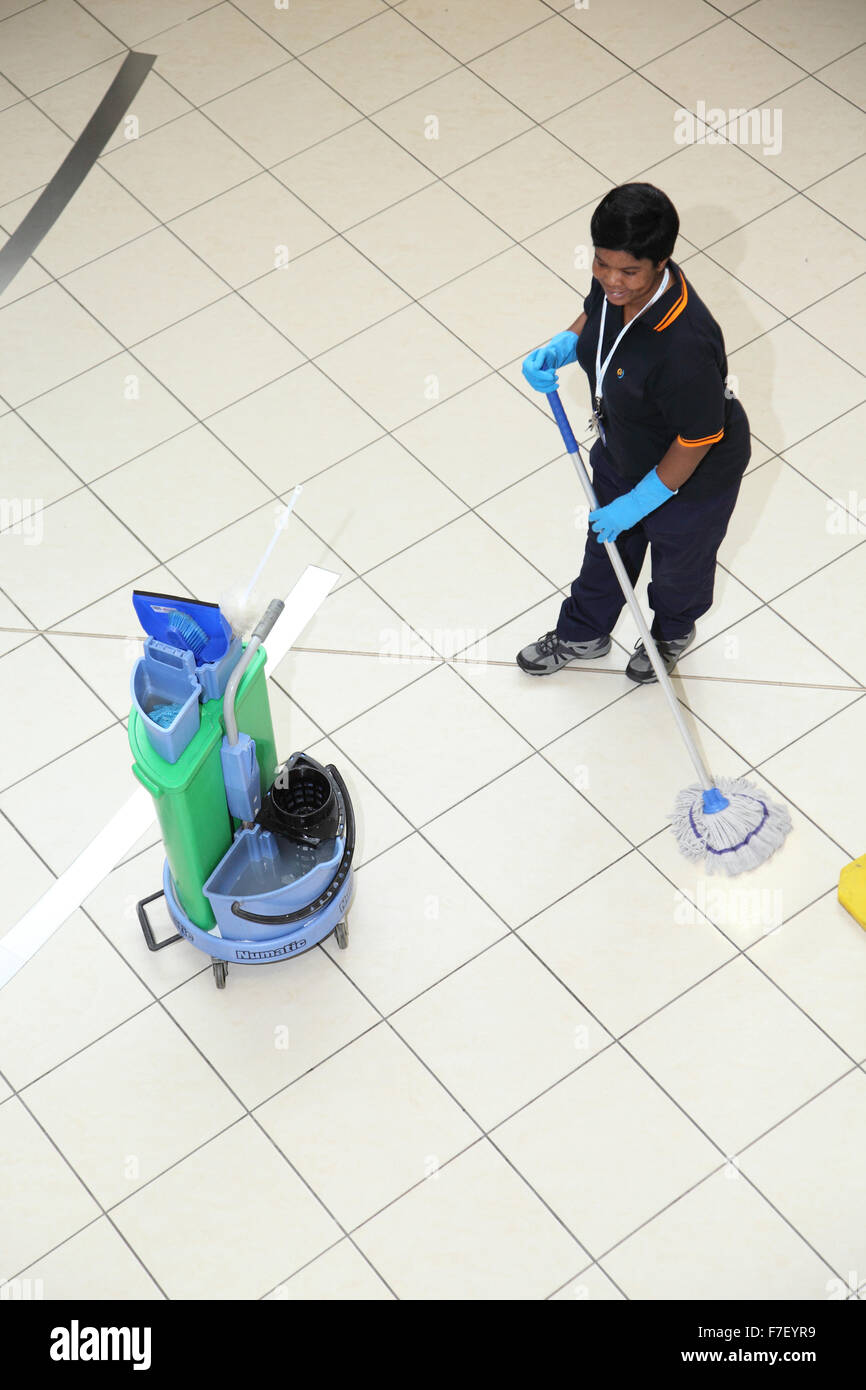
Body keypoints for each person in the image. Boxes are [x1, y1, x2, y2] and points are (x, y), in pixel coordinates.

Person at [517, 182, 750, 684]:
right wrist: (564, 344)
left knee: (677, 569)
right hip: (626, 445)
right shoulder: (614, 287)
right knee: (605, 549)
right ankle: (584, 631)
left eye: (628, 271)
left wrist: (642, 500)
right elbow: (597, 313)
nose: (611, 280)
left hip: (692, 476)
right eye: (601, 263)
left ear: (661, 263)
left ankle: (669, 634)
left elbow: (698, 439)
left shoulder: (683, 343)